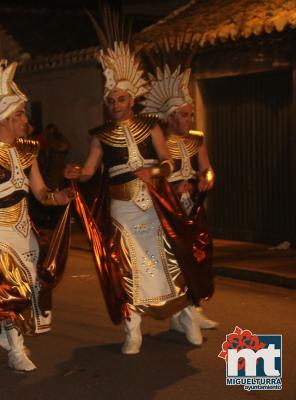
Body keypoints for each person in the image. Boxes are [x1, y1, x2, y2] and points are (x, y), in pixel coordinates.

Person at [65, 6, 213, 355]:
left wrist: (156, 173)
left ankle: (186, 316)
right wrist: (76, 173)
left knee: (168, 259)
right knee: (128, 265)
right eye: (111, 100)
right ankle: (133, 330)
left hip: (155, 203)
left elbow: (168, 161)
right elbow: (89, 171)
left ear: (132, 99)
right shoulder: (100, 135)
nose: (115, 104)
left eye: (121, 98)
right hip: (122, 208)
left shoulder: (151, 126)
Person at [0, 60, 73, 371]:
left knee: (32, 284)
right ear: (5, 119)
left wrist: (58, 196)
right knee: (12, 289)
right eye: (20, 114)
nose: (25, 119)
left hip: (24, 232)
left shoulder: (27, 151)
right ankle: (17, 351)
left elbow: (40, 193)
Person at [141, 62, 218, 330]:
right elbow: (151, 176)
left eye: (191, 114)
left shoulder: (197, 139)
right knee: (174, 260)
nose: (190, 120)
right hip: (168, 209)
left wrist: (206, 180)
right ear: (171, 117)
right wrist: (171, 189)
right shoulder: (159, 141)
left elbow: (207, 169)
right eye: (185, 115)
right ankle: (180, 311)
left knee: (198, 255)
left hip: (193, 206)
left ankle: (194, 306)